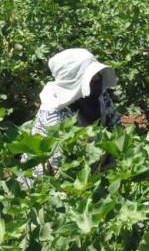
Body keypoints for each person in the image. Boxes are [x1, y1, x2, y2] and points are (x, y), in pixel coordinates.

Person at [28, 49, 118, 178]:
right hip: (53, 180)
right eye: (93, 77)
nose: (98, 80)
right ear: (73, 79)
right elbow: (58, 168)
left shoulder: (99, 96)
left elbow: (115, 127)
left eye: (98, 75)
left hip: (94, 169)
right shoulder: (54, 113)